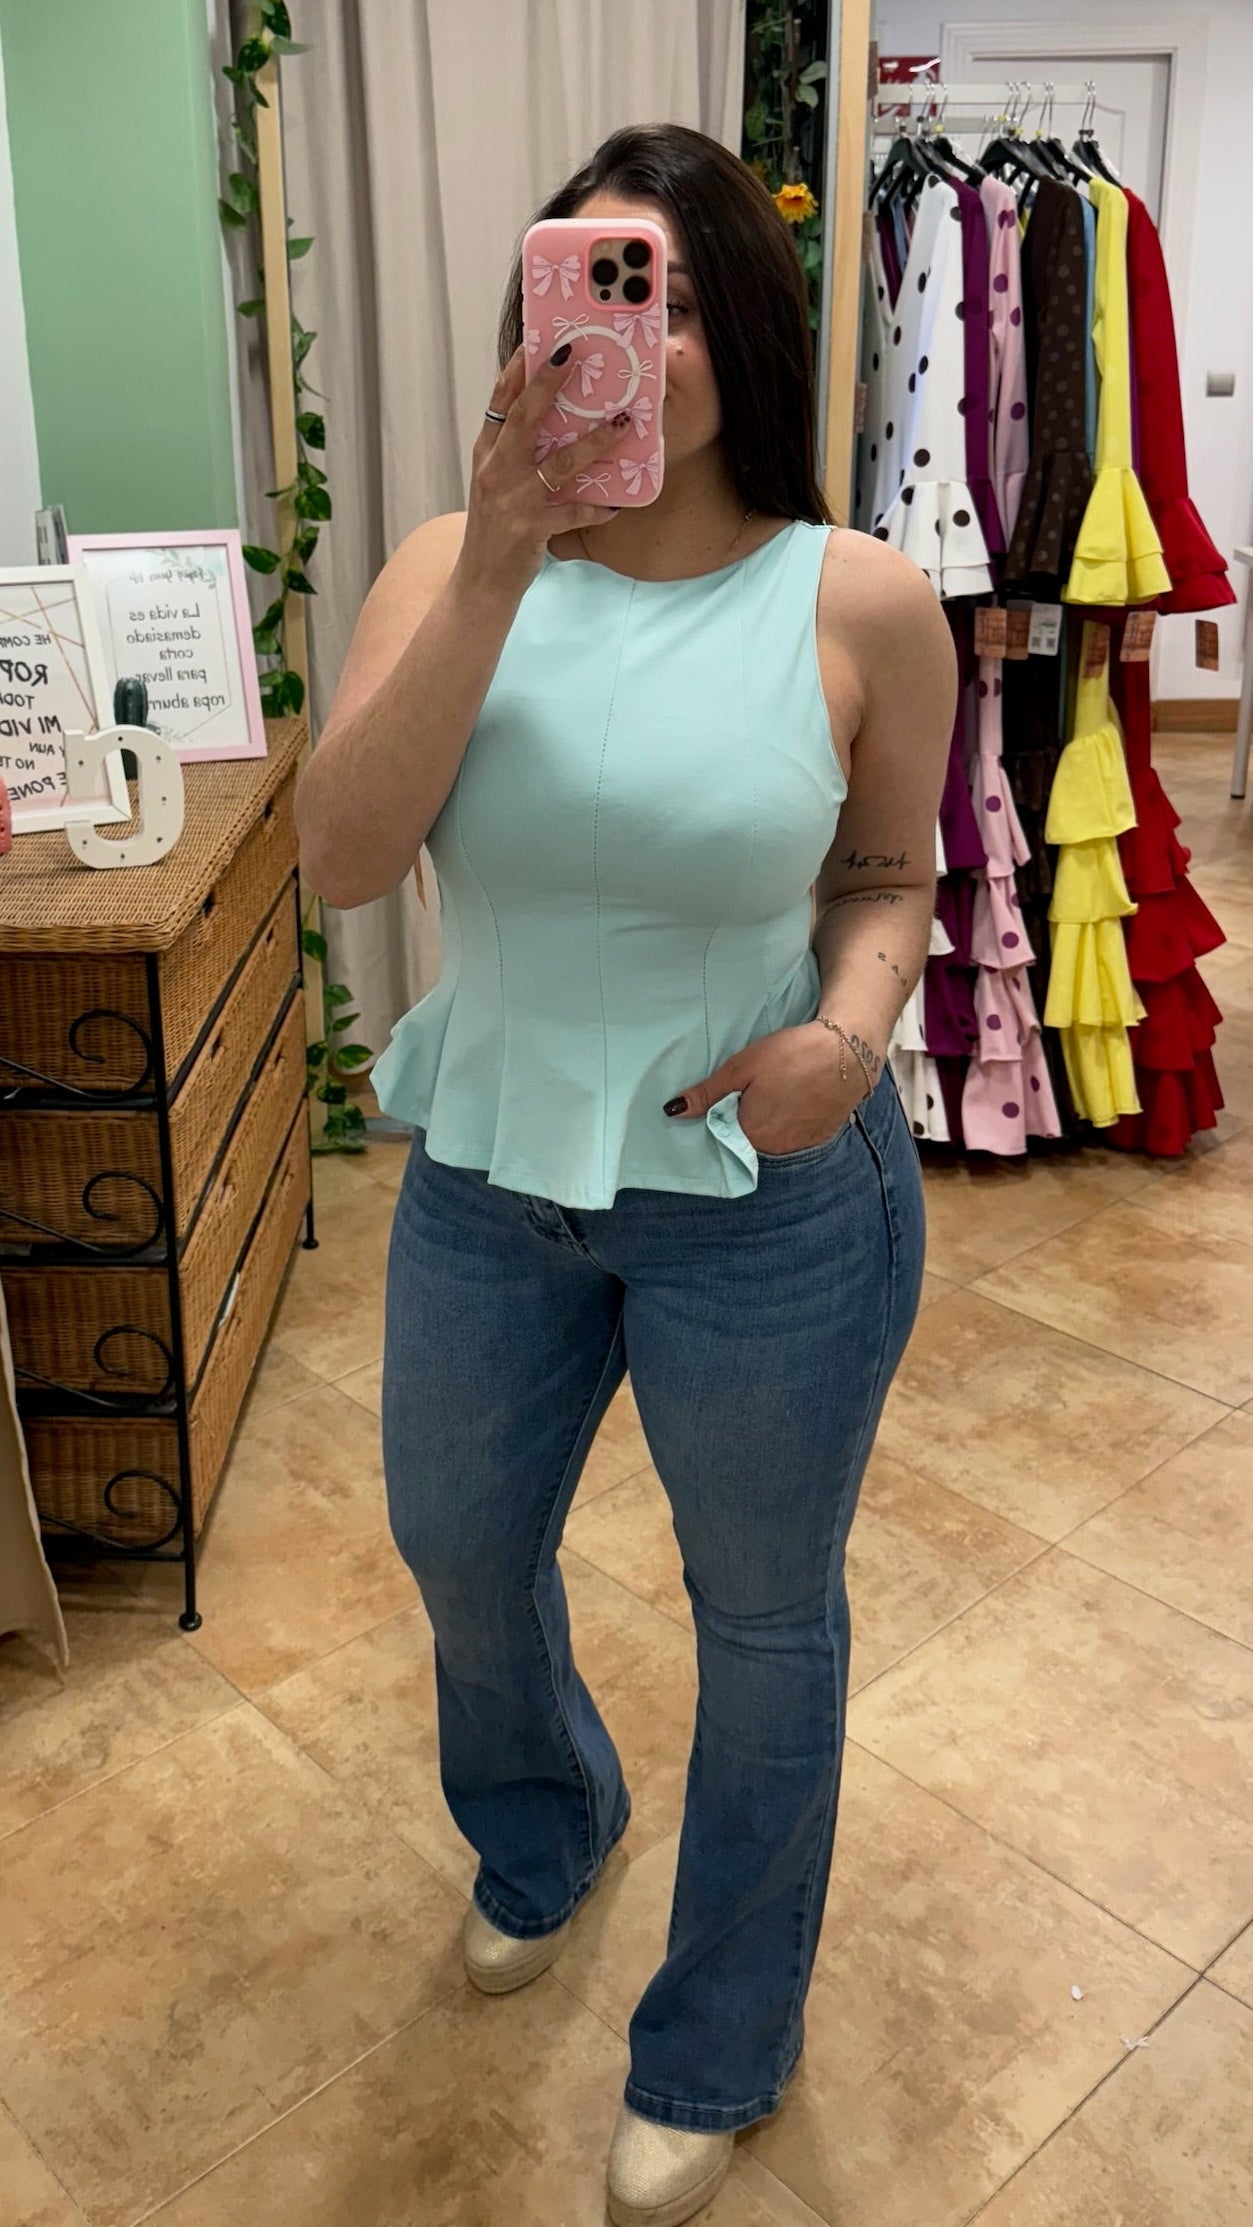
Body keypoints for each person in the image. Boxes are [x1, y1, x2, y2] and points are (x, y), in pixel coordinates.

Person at [297, 121, 955, 2227]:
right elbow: (341, 861)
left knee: (762, 1619)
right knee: (457, 1541)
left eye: (659, 297)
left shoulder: (858, 598)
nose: (623, 343)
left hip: (762, 1196)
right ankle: (550, 1820)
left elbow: (888, 875)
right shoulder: (442, 565)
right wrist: (499, 561)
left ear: (732, 326)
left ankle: (719, 2040)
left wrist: (848, 1037)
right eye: (585, 291)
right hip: (493, 1177)